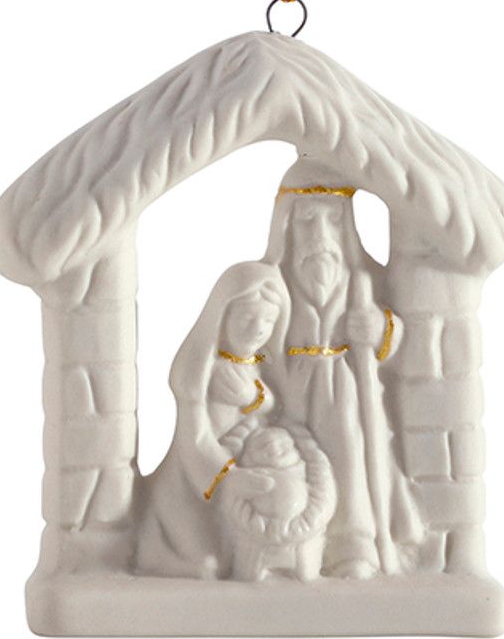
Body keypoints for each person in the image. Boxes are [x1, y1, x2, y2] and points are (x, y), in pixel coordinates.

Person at [263, 162, 423, 577]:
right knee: (299, 470)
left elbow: (395, 332)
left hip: (348, 390)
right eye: (307, 222)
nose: (320, 236)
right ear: (288, 227)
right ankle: (301, 547)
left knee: (350, 459)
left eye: (332, 220)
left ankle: (355, 546)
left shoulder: (361, 279)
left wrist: (380, 328)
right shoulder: (275, 282)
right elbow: (257, 343)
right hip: (291, 394)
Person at [136, 262, 289, 578]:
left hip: (237, 482)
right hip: (191, 484)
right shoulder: (200, 369)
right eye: (247, 317)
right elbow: (194, 438)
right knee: (209, 567)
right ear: (222, 315)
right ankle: (154, 545)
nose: (258, 329)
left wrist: (255, 397)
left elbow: (269, 404)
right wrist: (228, 477)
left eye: (268, 321)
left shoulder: (256, 363)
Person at [214, 425, 336, 581]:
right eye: (263, 445)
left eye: (283, 444)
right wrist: (259, 527)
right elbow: (229, 496)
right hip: (253, 544)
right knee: (249, 574)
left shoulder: (306, 473)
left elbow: (323, 491)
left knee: (306, 571)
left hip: (302, 540)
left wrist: (304, 525)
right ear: (248, 455)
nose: (274, 448)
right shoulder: (244, 481)